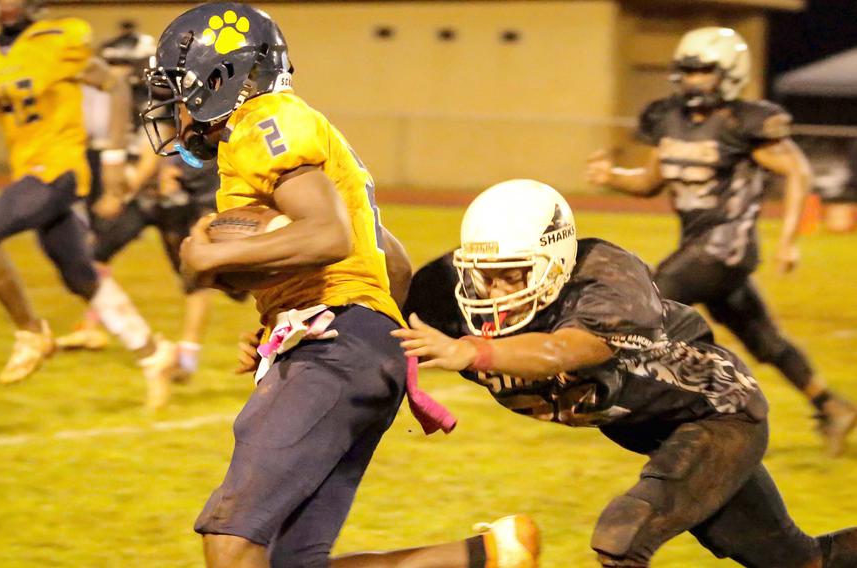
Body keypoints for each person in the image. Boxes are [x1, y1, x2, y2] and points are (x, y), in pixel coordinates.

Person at [142, 4, 539, 567]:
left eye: (177, 90)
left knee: (231, 546)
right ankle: (487, 557)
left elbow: (328, 236)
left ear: (217, 79)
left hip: (334, 350)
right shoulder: (268, 140)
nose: (171, 109)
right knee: (291, 563)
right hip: (355, 347)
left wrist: (214, 253)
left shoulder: (263, 122)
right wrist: (286, 319)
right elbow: (390, 261)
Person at [396, 179, 857, 568]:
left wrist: (475, 352)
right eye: (483, 276)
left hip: (719, 415)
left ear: (556, 264)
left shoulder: (607, 278)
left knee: (622, 536)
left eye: (513, 275)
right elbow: (385, 316)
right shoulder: (444, 291)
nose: (494, 292)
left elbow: (568, 349)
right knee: (803, 561)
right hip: (650, 430)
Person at [586, 27, 856, 456]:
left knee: (645, 302)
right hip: (701, 251)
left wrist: (788, 239)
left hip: (725, 249)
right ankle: (830, 404)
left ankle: (621, 401)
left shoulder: (743, 122)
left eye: (704, 72)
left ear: (730, 73)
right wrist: (611, 178)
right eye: (688, 72)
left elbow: (798, 171)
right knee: (765, 341)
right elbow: (650, 181)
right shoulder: (668, 119)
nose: (693, 81)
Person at [0, 0, 176, 402]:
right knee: (80, 276)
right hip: (27, 170)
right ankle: (154, 353)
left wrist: (112, 158)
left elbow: (116, 86)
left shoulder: (59, 39)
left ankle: (31, 332)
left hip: (60, 167)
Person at [56, 25, 217, 390]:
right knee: (94, 254)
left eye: (114, 64)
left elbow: (158, 147)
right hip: (149, 196)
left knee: (195, 276)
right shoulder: (126, 97)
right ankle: (93, 327)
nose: (107, 71)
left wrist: (121, 191)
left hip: (181, 194)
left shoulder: (163, 93)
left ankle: (188, 356)